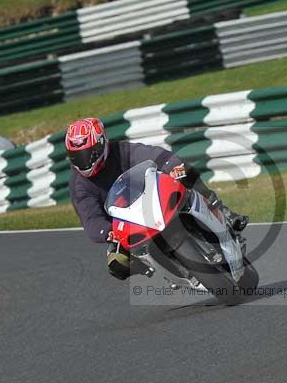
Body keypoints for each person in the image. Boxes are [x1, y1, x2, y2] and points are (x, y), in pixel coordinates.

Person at [66, 117, 248, 280]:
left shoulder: (122, 151)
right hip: (124, 225)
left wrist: (174, 166)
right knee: (117, 264)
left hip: (151, 197)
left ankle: (222, 210)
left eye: (88, 154)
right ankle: (152, 266)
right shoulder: (79, 185)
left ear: (102, 144)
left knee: (186, 173)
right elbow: (91, 220)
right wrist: (108, 232)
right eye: (76, 156)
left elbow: (155, 156)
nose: (84, 162)